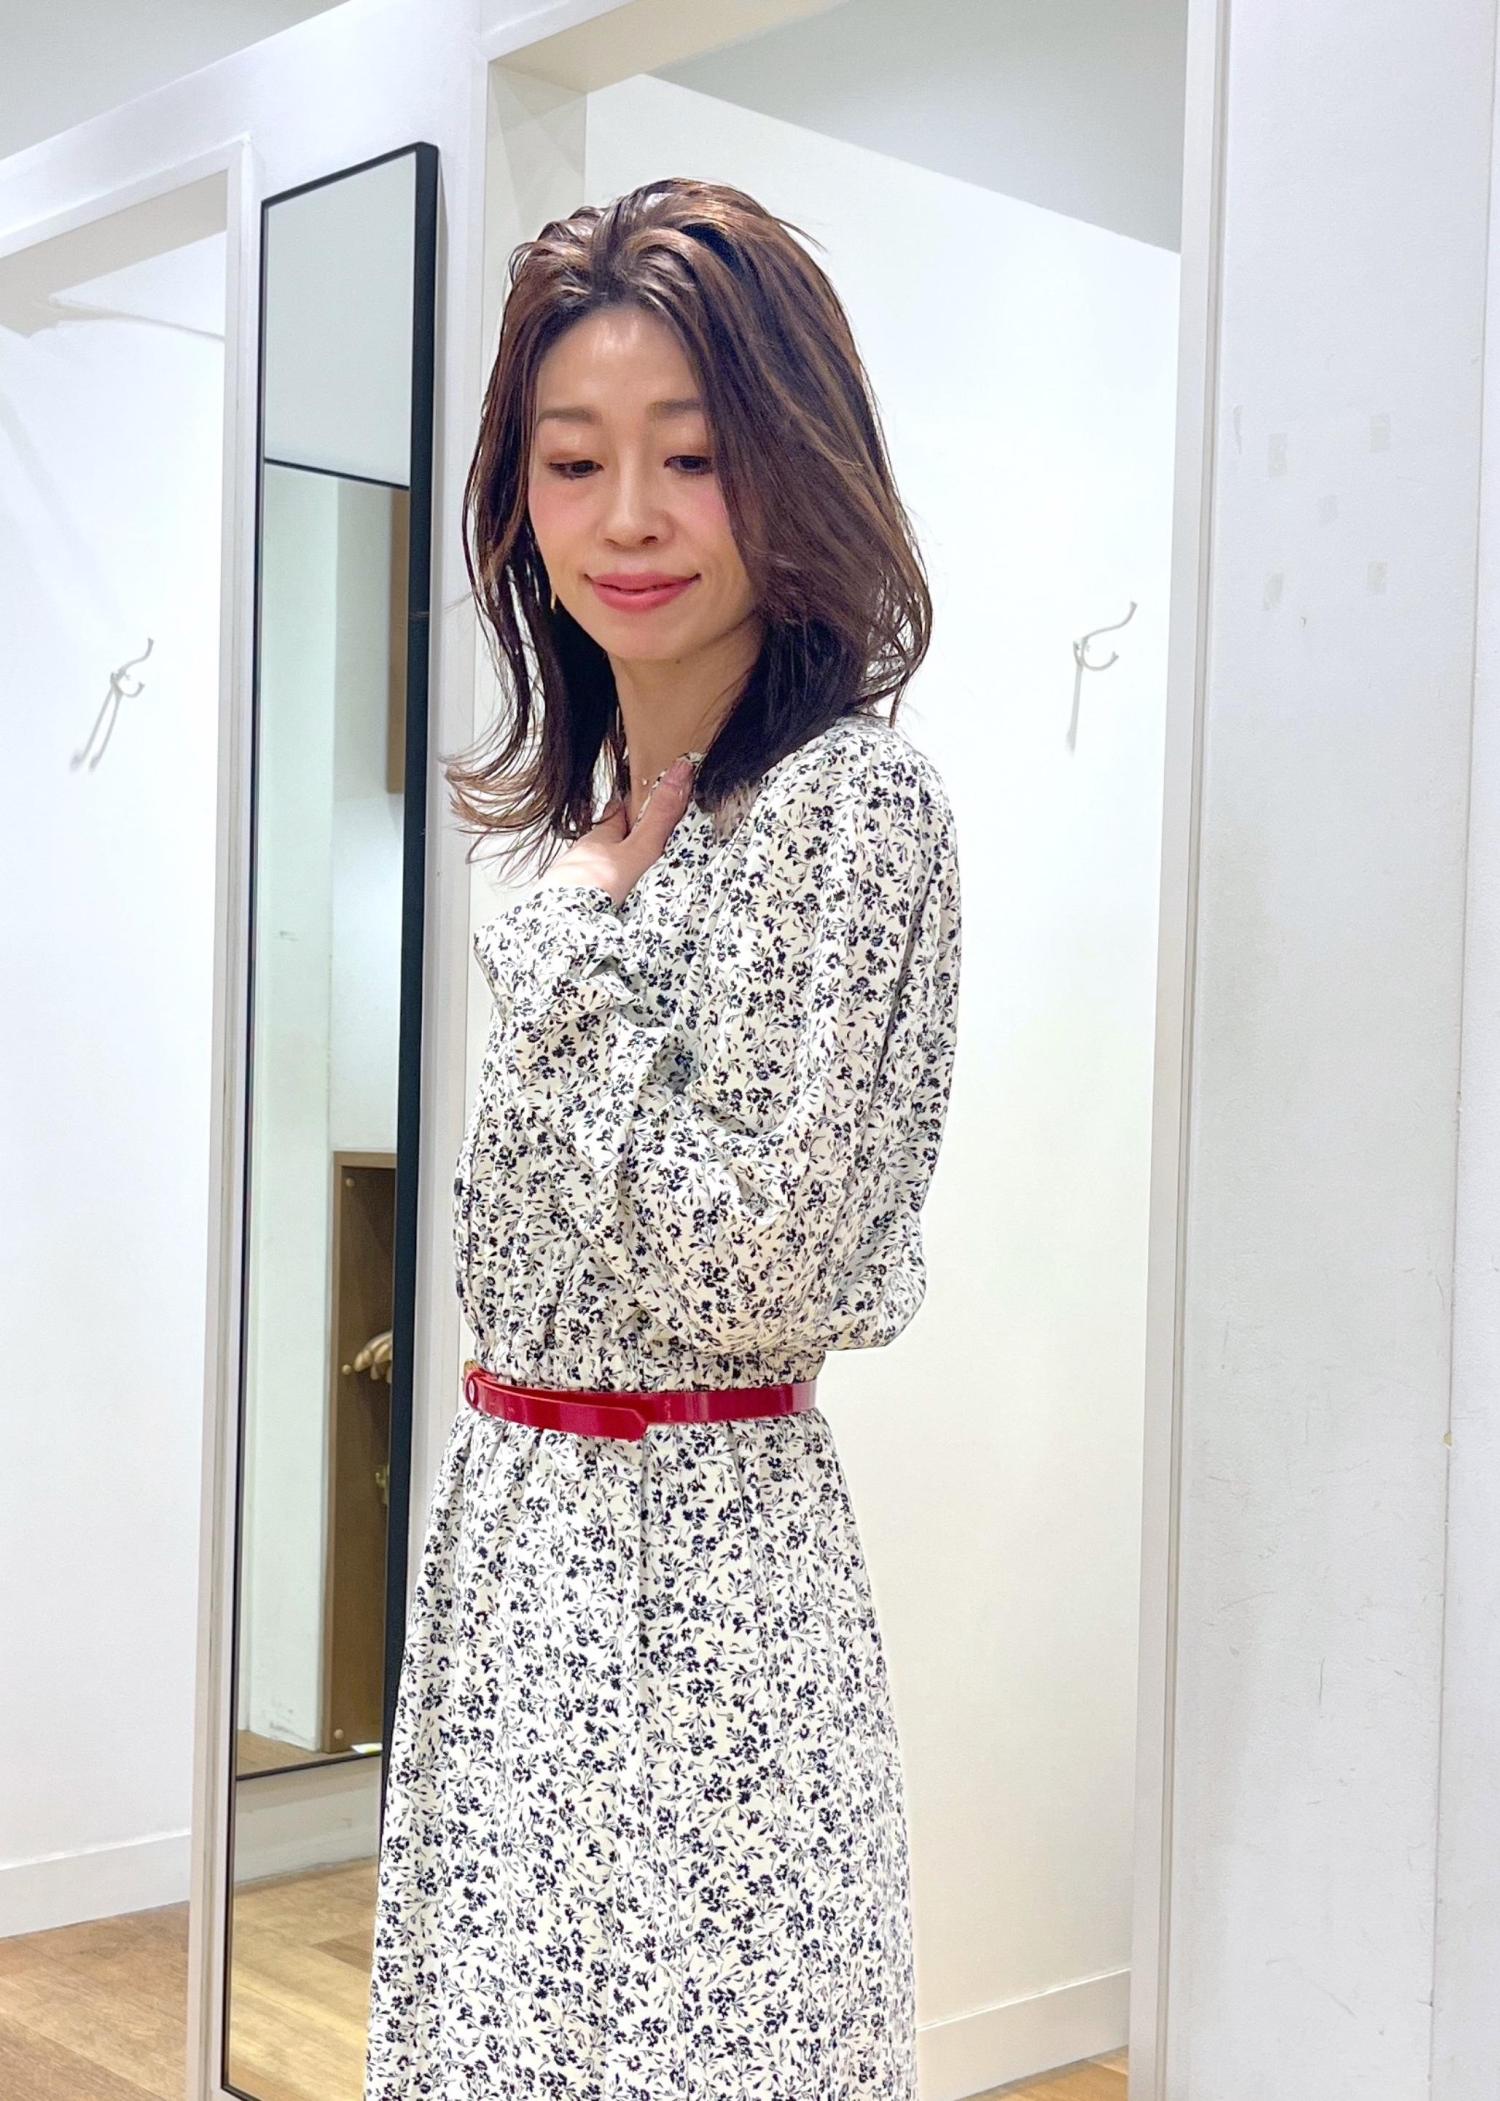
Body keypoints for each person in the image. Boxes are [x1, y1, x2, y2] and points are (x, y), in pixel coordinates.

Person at [363, 175, 962, 2101]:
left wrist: (569, 957)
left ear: (793, 466)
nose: (626, 516)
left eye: (691, 457)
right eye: (573, 460)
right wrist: (576, 918)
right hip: (517, 1553)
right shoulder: (585, 823)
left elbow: (753, 1267)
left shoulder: (853, 810)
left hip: (703, 1582)